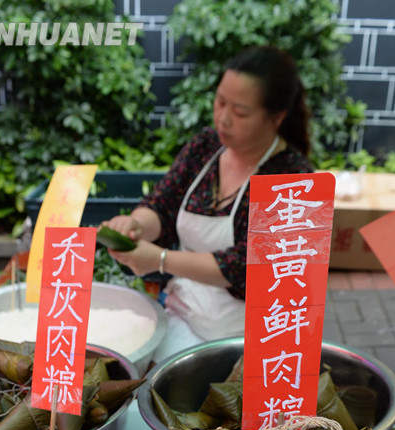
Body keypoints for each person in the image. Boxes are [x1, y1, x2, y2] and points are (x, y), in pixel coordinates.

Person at [103, 44, 315, 357]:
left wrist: (160, 260)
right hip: (183, 317)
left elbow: (246, 267)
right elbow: (163, 204)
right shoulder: (205, 147)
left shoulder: (292, 179)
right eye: (220, 102)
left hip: (253, 341)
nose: (224, 119)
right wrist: (135, 225)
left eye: (240, 112)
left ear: (276, 118)